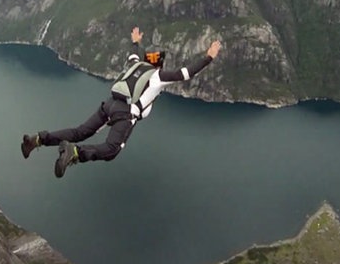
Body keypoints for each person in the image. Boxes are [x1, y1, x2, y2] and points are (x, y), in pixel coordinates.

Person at [21, 26, 222, 178]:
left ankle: (36, 139)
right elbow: (185, 73)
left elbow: (133, 52)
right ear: (159, 64)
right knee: (111, 150)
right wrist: (208, 57)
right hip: (125, 113)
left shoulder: (135, 64)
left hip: (109, 104)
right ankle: (74, 153)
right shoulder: (158, 76)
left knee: (79, 132)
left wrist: (136, 40)